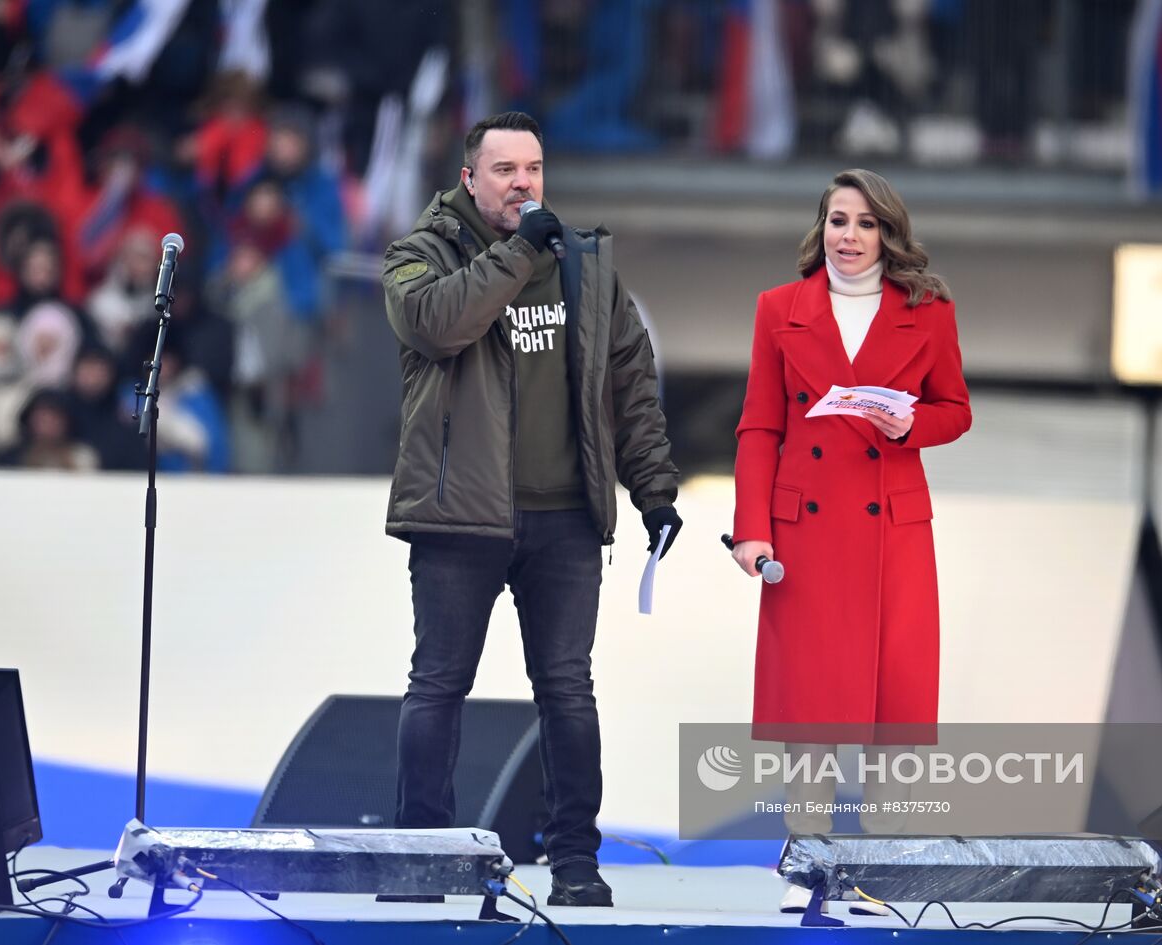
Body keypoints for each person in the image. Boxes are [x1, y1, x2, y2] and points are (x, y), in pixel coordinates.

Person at [380, 111, 681, 908]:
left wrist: (653, 489)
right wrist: (518, 251)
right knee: (438, 685)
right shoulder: (419, 255)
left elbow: (630, 381)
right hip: (459, 516)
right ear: (469, 179)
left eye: (534, 169)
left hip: (564, 519)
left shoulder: (584, 265)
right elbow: (440, 326)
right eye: (505, 169)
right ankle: (422, 857)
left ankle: (575, 859)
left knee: (568, 689)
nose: (523, 183)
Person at [730, 167, 971, 909]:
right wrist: (751, 531)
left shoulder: (929, 311)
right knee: (813, 709)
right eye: (838, 220)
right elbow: (760, 425)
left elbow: (955, 409)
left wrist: (911, 424)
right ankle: (806, 864)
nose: (850, 236)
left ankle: (880, 870)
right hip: (805, 532)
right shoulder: (780, 308)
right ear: (821, 229)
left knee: (894, 706)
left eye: (865, 223)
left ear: (888, 234)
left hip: (892, 527)